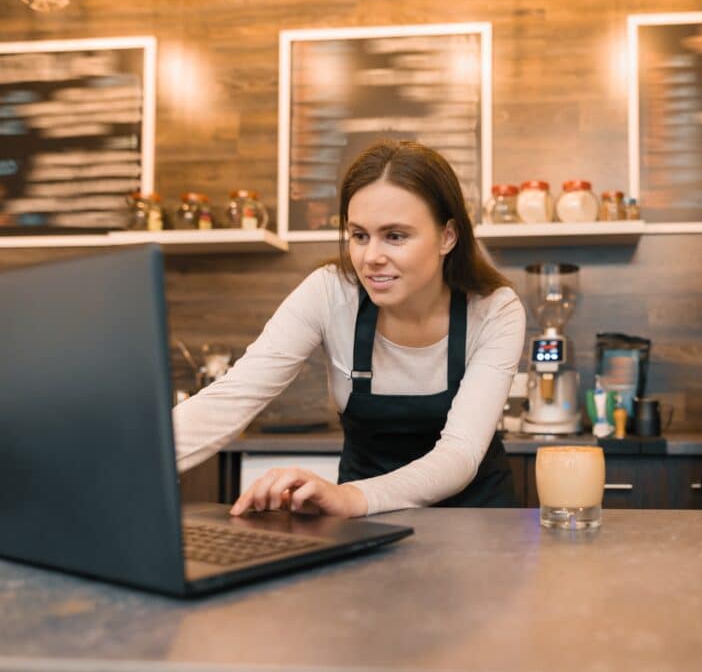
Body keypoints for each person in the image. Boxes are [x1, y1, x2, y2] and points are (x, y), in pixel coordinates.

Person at [173, 140, 526, 517]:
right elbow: (231, 397)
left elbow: (459, 455)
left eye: (395, 236)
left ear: (447, 236)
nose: (371, 257)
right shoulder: (330, 293)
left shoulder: (493, 310)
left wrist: (350, 498)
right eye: (359, 235)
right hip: (366, 526)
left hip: (476, 524)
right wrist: (123, 463)